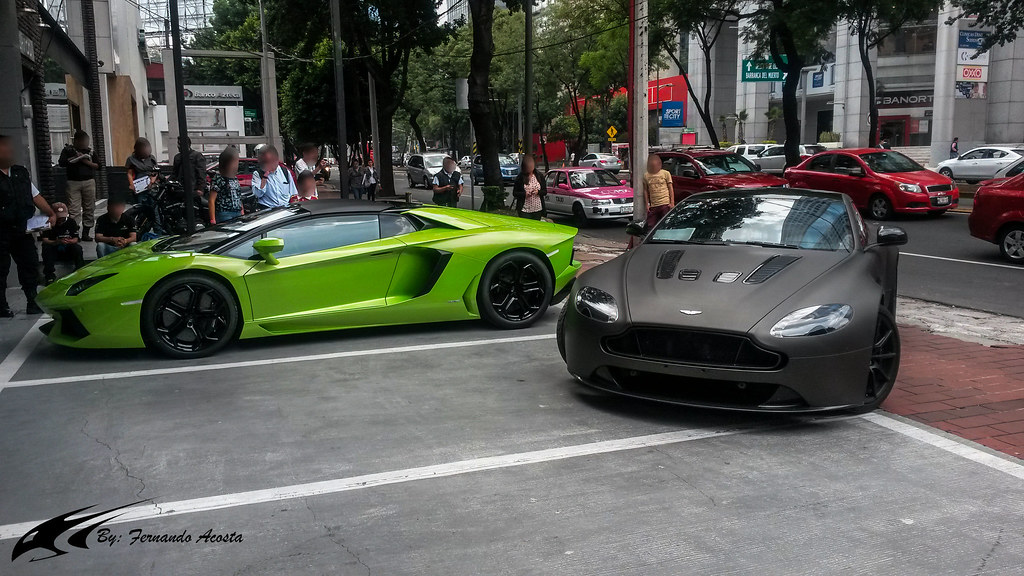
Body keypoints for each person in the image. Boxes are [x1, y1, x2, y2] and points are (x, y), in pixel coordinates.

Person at [0, 134, 57, 316]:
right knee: (1, 268)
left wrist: (50, 212)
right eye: (5, 148)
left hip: (22, 228)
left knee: (29, 264)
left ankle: (32, 301)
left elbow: (35, 196)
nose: (9, 151)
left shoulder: (20, 172)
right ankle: (1, 306)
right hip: (1, 231)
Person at [57, 130, 100, 241]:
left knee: (89, 207)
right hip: (73, 181)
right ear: (76, 141)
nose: (84, 144)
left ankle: (86, 232)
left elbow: (98, 166)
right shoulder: (68, 150)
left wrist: (85, 160)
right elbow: (61, 163)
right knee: (74, 209)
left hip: (89, 181)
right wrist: (74, 158)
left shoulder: (90, 152)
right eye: (82, 141)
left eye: (86, 141)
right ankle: (74, 231)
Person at [40, 202, 84, 283]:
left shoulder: (71, 222)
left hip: (67, 247)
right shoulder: (48, 222)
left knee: (77, 248)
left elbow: (76, 239)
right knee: (46, 248)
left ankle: (80, 269)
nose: (60, 220)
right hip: (54, 248)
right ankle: (49, 275)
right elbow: (45, 239)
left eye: (62, 218)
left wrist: (69, 241)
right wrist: (56, 242)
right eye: (58, 217)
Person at [252, 145, 297, 210]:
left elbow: (293, 193)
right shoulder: (258, 174)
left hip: (285, 209)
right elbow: (258, 194)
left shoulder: (285, 172)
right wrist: (264, 177)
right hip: (267, 209)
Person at [208, 147, 243, 224]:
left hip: (237, 213)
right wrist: (212, 219)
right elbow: (211, 200)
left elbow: (238, 196)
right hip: (224, 213)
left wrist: (242, 210)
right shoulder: (218, 178)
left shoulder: (235, 178)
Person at [642, 154, 674, 230]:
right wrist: (647, 204)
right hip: (653, 205)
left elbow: (670, 188)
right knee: (650, 225)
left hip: (665, 203)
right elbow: (645, 190)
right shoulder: (646, 175)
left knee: (665, 224)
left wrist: (672, 202)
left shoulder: (665, 173)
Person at [512, 154, 546, 219]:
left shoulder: (539, 175)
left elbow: (544, 191)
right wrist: (525, 194)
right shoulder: (520, 178)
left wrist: (538, 192)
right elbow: (515, 193)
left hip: (537, 208)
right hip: (524, 209)